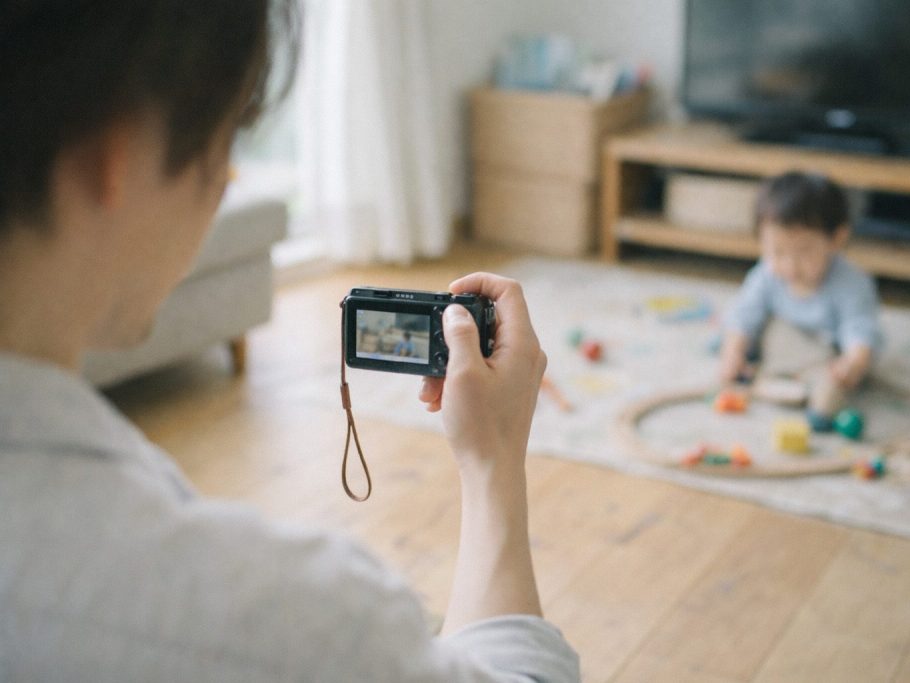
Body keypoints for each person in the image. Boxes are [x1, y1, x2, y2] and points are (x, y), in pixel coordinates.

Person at [0, 2, 579, 681]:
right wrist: (494, 461)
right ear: (118, 157)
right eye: (227, 151)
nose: (224, 187)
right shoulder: (300, 624)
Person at [719, 171, 883, 425]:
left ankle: (814, 399)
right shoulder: (766, 274)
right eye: (777, 251)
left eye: (804, 252)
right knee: (754, 337)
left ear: (836, 239)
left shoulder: (851, 283)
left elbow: (859, 327)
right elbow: (745, 314)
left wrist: (853, 362)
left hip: (827, 356)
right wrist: (733, 352)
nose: (790, 265)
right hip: (781, 345)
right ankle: (773, 376)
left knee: (835, 386)